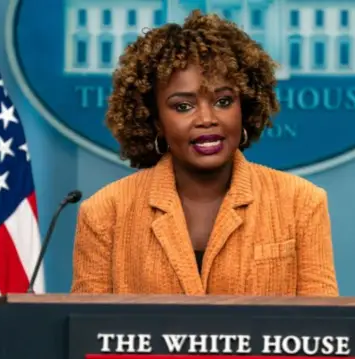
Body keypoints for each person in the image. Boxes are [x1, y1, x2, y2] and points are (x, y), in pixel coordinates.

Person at [70, 10, 339, 297]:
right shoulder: (104, 213)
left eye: (223, 101)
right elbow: (88, 332)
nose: (207, 119)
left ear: (244, 107)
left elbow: (324, 329)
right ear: (155, 119)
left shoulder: (301, 202)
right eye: (183, 106)